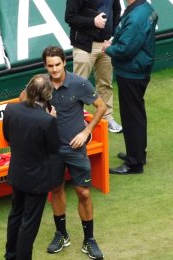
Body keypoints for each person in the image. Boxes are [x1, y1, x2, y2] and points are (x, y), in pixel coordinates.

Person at [20, 46, 106, 259]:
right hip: (50, 150)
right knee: (56, 190)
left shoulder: (79, 83)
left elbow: (101, 107)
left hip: (76, 149)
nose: (54, 69)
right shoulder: (40, 83)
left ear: (64, 63)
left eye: (57, 64)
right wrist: (41, 111)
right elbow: (22, 102)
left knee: (84, 193)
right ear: (45, 66)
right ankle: (61, 234)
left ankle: (89, 239)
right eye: (50, 66)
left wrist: (86, 131)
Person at [3, 74, 60, 260]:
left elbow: (8, 136)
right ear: (47, 95)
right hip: (37, 180)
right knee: (29, 223)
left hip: (17, 173)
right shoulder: (47, 121)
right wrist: (51, 119)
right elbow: (53, 148)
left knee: (15, 215)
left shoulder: (11, 109)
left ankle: (10, 255)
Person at [103, 0, 158, 174]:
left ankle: (134, 163)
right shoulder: (145, 8)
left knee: (132, 116)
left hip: (131, 72)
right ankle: (137, 154)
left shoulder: (136, 17)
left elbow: (125, 49)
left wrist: (109, 48)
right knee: (136, 114)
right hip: (138, 69)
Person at [65, 0, 123, 133]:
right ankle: (75, 121)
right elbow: (70, 17)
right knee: (78, 85)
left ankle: (107, 118)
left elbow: (116, 10)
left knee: (106, 83)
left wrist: (111, 34)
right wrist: (93, 22)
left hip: (106, 44)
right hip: (84, 45)